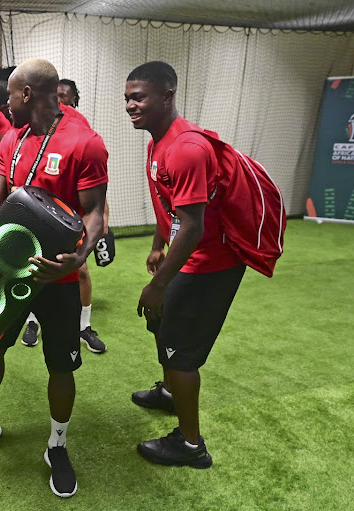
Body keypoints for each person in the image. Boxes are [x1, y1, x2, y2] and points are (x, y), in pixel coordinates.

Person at [0, 58, 108, 499]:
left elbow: (94, 213)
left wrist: (76, 261)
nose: (4, 103)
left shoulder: (84, 142)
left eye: (8, 95)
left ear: (26, 94)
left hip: (55, 279)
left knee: (60, 365)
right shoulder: (11, 139)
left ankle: (57, 446)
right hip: (5, 270)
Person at [125, 61, 246, 468]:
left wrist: (159, 283)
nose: (130, 105)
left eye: (138, 97)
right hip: (187, 255)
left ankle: (191, 445)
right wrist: (159, 244)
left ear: (167, 95)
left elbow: (193, 227)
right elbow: (171, 205)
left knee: (179, 348)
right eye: (127, 98)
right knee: (161, 324)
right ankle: (171, 394)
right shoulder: (157, 141)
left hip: (211, 263)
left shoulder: (186, 149)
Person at [22, 78, 108, 354]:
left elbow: (92, 176)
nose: (60, 101)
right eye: (56, 95)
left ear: (74, 100)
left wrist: (103, 213)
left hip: (72, 215)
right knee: (32, 266)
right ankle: (32, 321)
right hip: (37, 210)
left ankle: (84, 326)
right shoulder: (32, 124)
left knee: (79, 270)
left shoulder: (80, 126)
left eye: (65, 97)